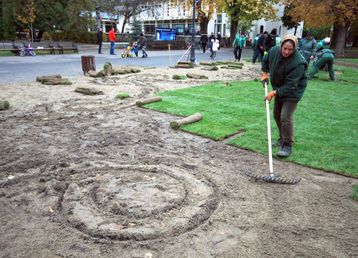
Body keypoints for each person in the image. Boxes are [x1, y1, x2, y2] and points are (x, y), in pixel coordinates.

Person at [261, 34, 308, 157]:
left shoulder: (298, 63)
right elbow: (265, 61)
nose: (287, 52)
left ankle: (287, 144)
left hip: (293, 91)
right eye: (285, 48)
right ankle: (282, 138)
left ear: (294, 49)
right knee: (277, 114)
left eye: (290, 50)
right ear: (281, 46)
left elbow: (291, 86)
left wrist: (273, 93)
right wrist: (265, 74)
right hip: (279, 87)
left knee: (285, 116)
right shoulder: (274, 51)